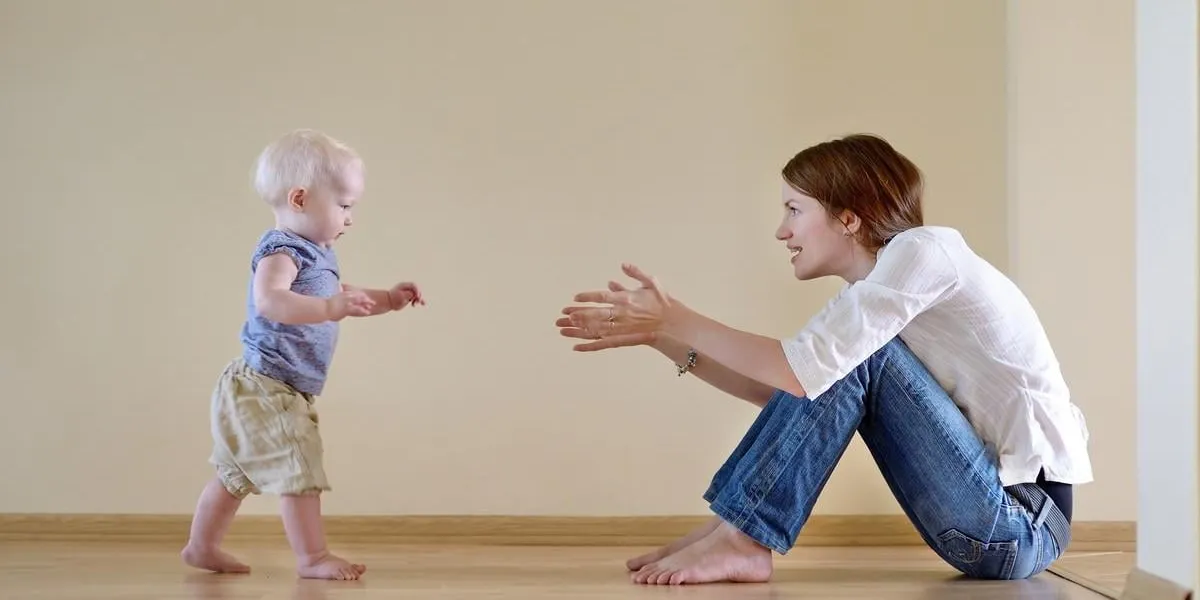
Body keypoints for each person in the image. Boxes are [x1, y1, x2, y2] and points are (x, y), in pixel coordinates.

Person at [557, 133, 1092, 586]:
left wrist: (675, 317)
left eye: (794, 209)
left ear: (849, 218)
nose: (781, 231)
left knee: (835, 363)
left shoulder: (925, 252)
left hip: (1020, 521)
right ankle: (731, 528)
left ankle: (742, 536)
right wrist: (661, 336)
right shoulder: (875, 296)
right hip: (987, 523)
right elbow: (793, 395)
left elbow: (800, 374)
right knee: (825, 370)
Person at [181, 129, 426, 580]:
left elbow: (342, 295)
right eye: (345, 205)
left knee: (235, 474)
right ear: (300, 198)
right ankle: (311, 557)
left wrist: (388, 298)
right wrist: (331, 308)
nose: (350, 218)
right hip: (267, 386)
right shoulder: (281, 251)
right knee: (301, 467)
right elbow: (271, 301)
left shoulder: (319, 253)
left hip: (265, 386)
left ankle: (201, 546)